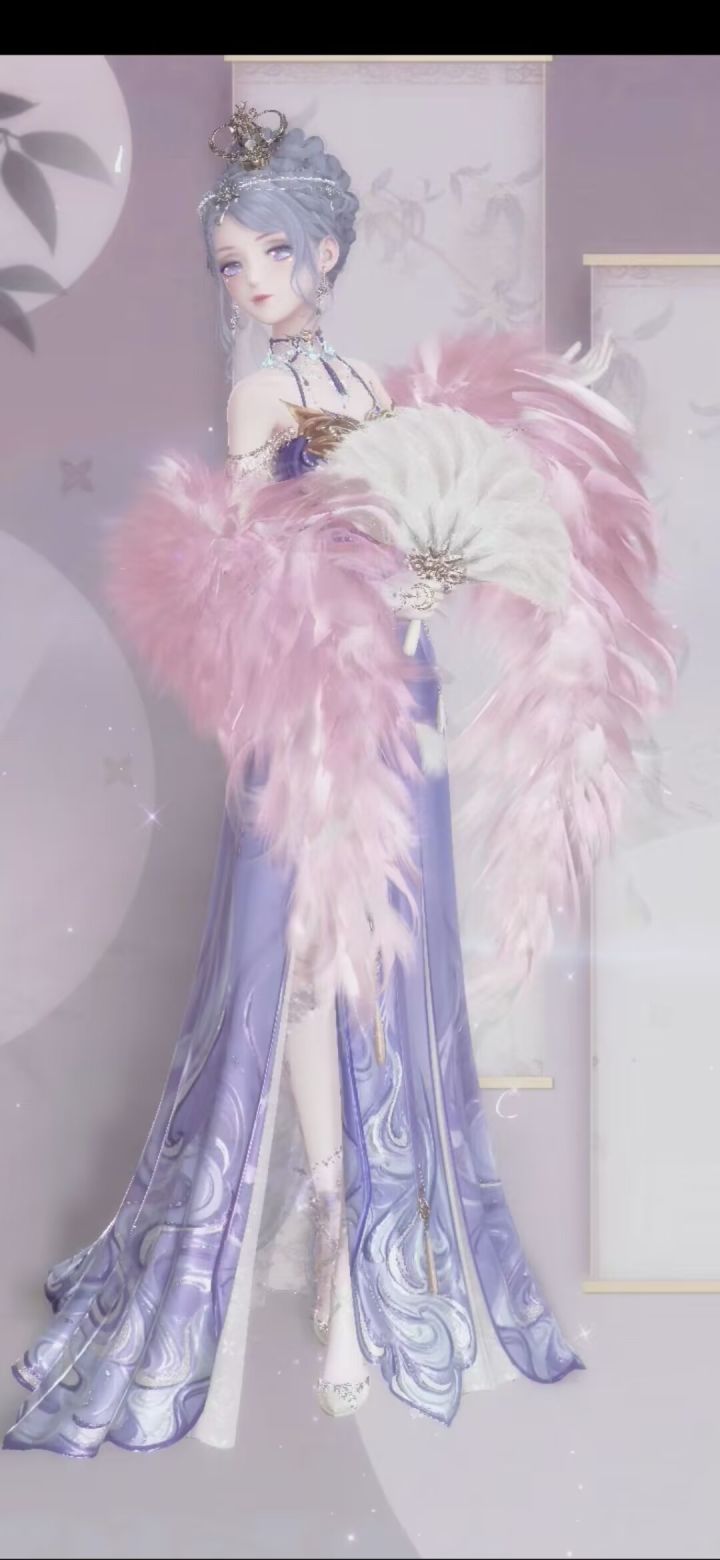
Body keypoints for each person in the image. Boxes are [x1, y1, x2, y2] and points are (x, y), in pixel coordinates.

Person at [3, 105, 678, 1457]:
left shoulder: (379, 392)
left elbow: (424, 528)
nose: (252, 284)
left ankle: (365, 1239)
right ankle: (331, 1241)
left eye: (270, 255)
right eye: (232, 265)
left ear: (323, 254)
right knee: (300, 956)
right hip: (302, 695)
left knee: (373, 951)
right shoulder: (260, 399)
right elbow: (240, 560)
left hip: (400, 695)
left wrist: (425, 583)